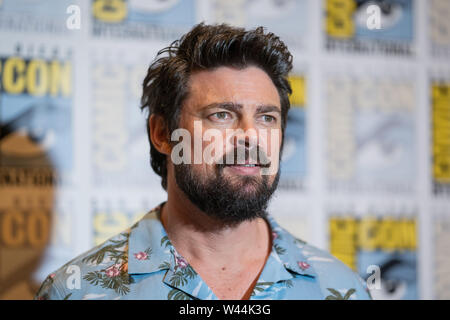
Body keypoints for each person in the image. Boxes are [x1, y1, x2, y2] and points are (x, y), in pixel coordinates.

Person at [35, 23, 371, 300]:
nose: (251, 136)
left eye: (267, 118)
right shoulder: (76, 291)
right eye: (222, 115)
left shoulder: (342, 289)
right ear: (163, 134)